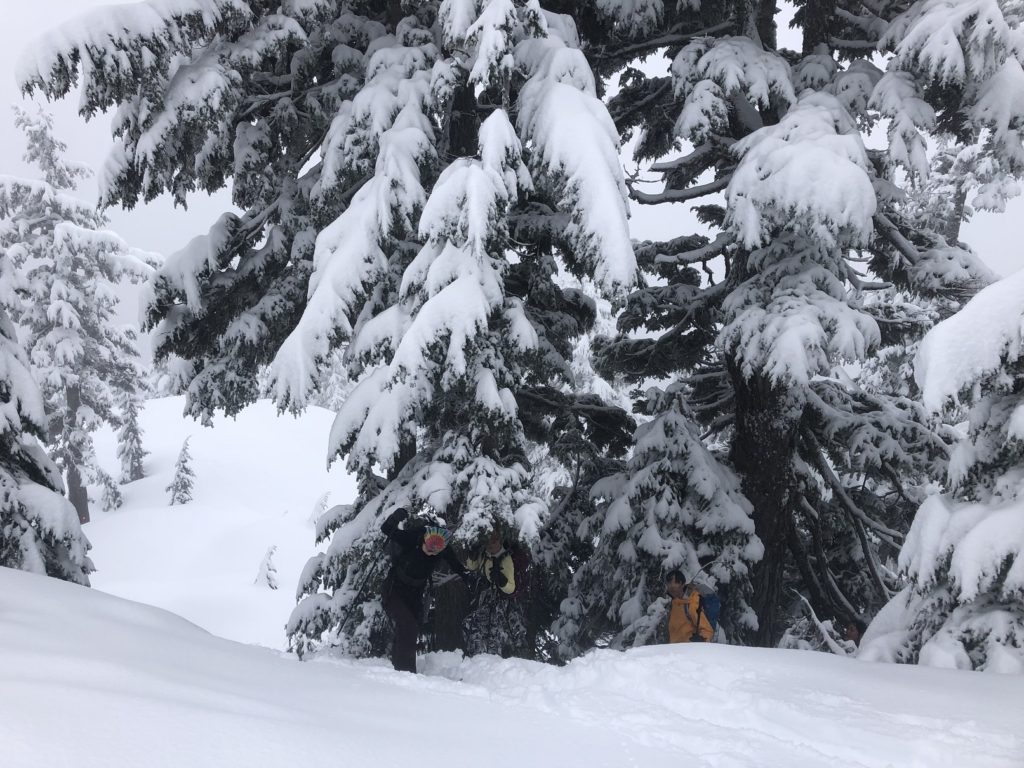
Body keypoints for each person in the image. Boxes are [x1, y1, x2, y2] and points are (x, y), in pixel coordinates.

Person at [380, 507, 467, 673]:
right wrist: (395, 517)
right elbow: (387, 530)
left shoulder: (442, 549)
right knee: (408, 627)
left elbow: (457, 566)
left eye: (439, 545)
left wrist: (469, 577)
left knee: (409, 628)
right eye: (431, 541)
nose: (434, 547)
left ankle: (398, 670)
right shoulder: (413, 538)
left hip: (415, 594)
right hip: (394, 591)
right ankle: (406, 673)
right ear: (426, 536)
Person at [463, 528, 530, 658]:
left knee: (495, 633)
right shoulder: (485, 553)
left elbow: (511, 587)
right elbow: (472, 566)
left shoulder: (506, 559)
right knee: (471, 624)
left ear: (499, 541)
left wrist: (501, 580)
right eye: (488, 541)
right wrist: (472, 554)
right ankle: (477, 658)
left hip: (504, 603)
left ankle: (493, 663)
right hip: (487, 598)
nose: (490, 544)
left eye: (494, 541)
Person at [664, 569, 714, 643]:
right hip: (675, 651)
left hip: (689, 652)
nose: (670, 588)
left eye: (673, 585)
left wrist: (702, 641)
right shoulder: (674, 603)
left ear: (682, 584)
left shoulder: (692, 603)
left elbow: (707, 631)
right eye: (669, 585)